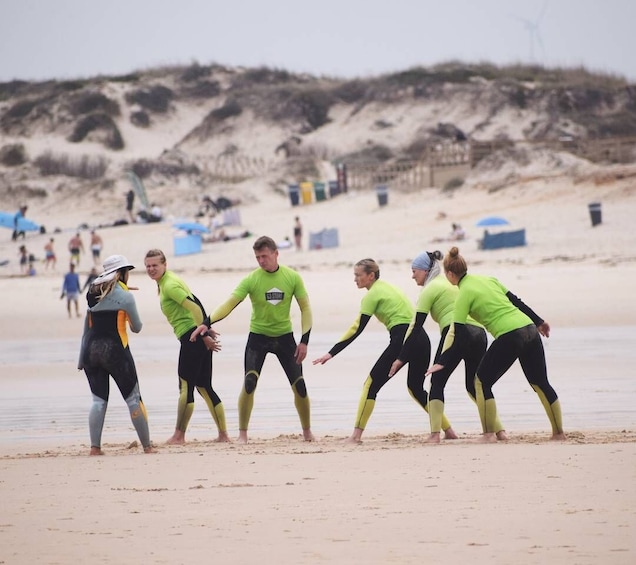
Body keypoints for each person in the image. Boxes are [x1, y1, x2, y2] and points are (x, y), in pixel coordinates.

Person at [427, 247, 566, 442]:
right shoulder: (489, 279)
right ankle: (558, 433)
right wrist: (539, 322)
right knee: (539, 382)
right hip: (529, 329)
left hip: (509, 335)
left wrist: (442, 361)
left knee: (481, 381)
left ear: (450, 274)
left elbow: (457, 334)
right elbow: (516, 301)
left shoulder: (463, 294)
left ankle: (489, 434)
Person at [190, 235, 314, 444]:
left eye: (265, 256)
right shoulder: (252, 279)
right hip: (258, 338)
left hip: (285, 338)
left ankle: (308, 433)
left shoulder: (292, 277)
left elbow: (306, 308)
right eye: (257, 257)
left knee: (300, 385)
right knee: (249, 383)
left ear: (276, 254)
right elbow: (230, 303)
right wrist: (207, 321)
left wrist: (305, 341)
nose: (261, 261)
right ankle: (243, 435)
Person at [313, 258, 442, 444]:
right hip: (421, 338)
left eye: (358, 275)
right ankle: (447, 429)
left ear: (370, 275)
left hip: (402, 338)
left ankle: (355, 436)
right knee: (416, 388)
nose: (355, 279)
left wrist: (331, 353)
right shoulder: (390, 288)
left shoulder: (372, 295)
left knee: (370, 385)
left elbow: (356, 329)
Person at [389, 250, 505, 443]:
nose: (412, 276)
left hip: (455, 332)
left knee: (437, 382)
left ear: (425, 271)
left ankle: (435, 435)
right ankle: (499, 431)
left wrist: (401, 358)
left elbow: (415, 327)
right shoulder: (452, 283)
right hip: (478, 334)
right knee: (475, 384)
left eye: (414, 271)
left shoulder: (430, 289)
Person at [144, 248, 229, 445]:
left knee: (185, 387)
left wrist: (204, 332)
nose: (151, 269)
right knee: (204, 386)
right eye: (148, 266)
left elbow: (195, 307)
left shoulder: (169, 285)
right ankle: (223, 435)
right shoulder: (169, 281)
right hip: (197, 337)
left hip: (191, 338)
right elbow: (196, 300)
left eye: (155, 265)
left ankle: (178, 436)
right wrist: (206, 328)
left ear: (164, 265)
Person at [78, 254, 155, 455]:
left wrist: (81, 359)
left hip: (90, 351)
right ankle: (147, 447)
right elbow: (137, 327)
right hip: (115, 351)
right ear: (122, 273)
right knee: (133, 398)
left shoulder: (92, 291)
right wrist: (127, 302)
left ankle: (95, 448)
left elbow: (87, 325)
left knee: (98, 400)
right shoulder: (126, 296)